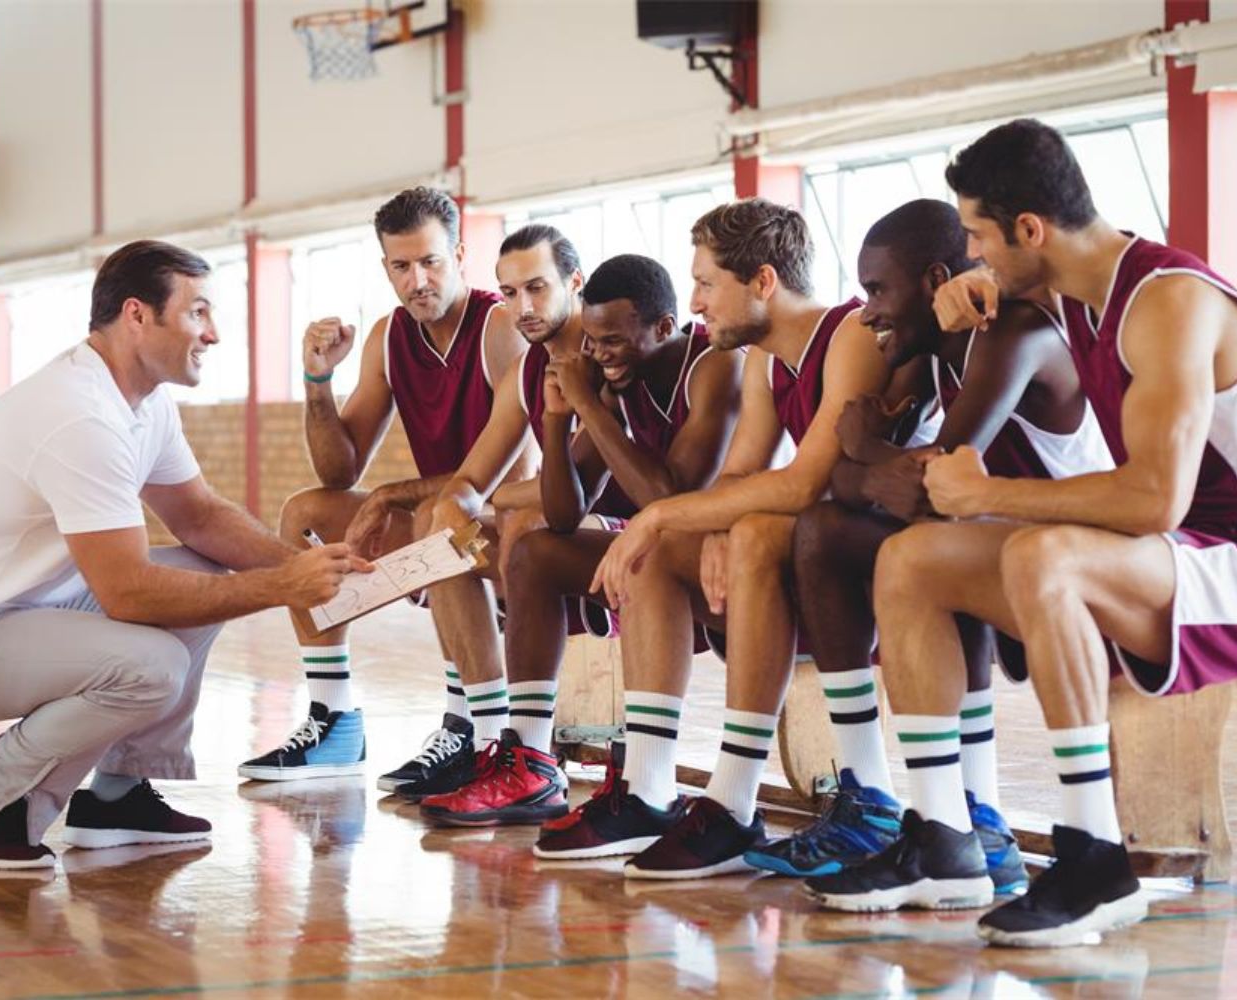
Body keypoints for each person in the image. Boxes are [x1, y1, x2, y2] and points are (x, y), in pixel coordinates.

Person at [806, 119, 1237, 948]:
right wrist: (978, 294)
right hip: (1167, 558)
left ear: (1029, 229)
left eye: (976, 235)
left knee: (1045, 554)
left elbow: (1157, 500)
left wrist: (985, 493)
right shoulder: (1070, 294)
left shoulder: (1172, 302)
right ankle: (943, 840)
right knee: (911, 560)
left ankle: (1094, 857)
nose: (971, 253)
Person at [0, 240, 365, 869]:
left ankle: (117, 797)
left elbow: (199, 515)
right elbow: (128, 594)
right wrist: (284, 587)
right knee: (151, 664)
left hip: (17, 614)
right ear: (137, 315)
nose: (212, 334)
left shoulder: (141, 401)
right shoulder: (79, 416)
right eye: (198, 313)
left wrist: (320, 569)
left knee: (201, 572)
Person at [746, 199, 1111, 895]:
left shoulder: (1012, 337)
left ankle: (980, 816)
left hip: (1077, 561)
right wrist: (865, 460)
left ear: (935, 279)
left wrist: (861, 447)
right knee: (822, 532)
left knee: (933, 546)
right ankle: (870, 798)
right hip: (999, 547)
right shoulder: (928, 357)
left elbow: (928, 489)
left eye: (878, 290)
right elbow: (854, 488)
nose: (866, 312)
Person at [584, 198, 889, 879]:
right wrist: (705, 520)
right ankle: (650, 784)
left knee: (730, 534)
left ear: (762, 281)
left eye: (706, 283)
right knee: (665, 553)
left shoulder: (851, 334)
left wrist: (668, 514)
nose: (694, 302)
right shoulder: (764, 360)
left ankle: (733, 797)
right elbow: (746, 467)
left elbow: (807, 480)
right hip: (816, 549)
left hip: (871, 557)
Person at [418, 253, 743, 828]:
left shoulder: (715, 366)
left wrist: (591, 405)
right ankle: (531, 760)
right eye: (591, 341)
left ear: (664, 328)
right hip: (669, 560)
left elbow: (667, 498)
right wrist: (554, 417)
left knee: (645, 551)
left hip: (726, 567)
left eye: (614, 341)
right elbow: (565, 514)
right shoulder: (618, 383)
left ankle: (646, 778)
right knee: (536, 553)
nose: (598, 355)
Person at [237, 187, 527, 788]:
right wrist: (318, 379)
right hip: (443, 520)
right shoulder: (388, 338)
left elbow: (516, 481)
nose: (418, 279)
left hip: (513, 530)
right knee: (304, 515)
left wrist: (396, 493)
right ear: (386, 268)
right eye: (402, 266)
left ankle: (471, 726)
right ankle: (334, 716)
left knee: (438, 521)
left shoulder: (500, 327)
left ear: (459, 254)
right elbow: (338, 473)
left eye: (431, 261)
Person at [371, 222, 591, 802]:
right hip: (574, 527)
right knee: (447, 530)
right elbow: (473, 480)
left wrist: (487, 502)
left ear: (575, 281)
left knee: (521, 530)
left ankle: (531, 754)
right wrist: (447, 511)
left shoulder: (607, 347)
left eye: (537, 288)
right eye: (511, 292)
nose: (522, 307)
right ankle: (488, 742)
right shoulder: (528, 370)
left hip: (614, 528)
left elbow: (571, 489)